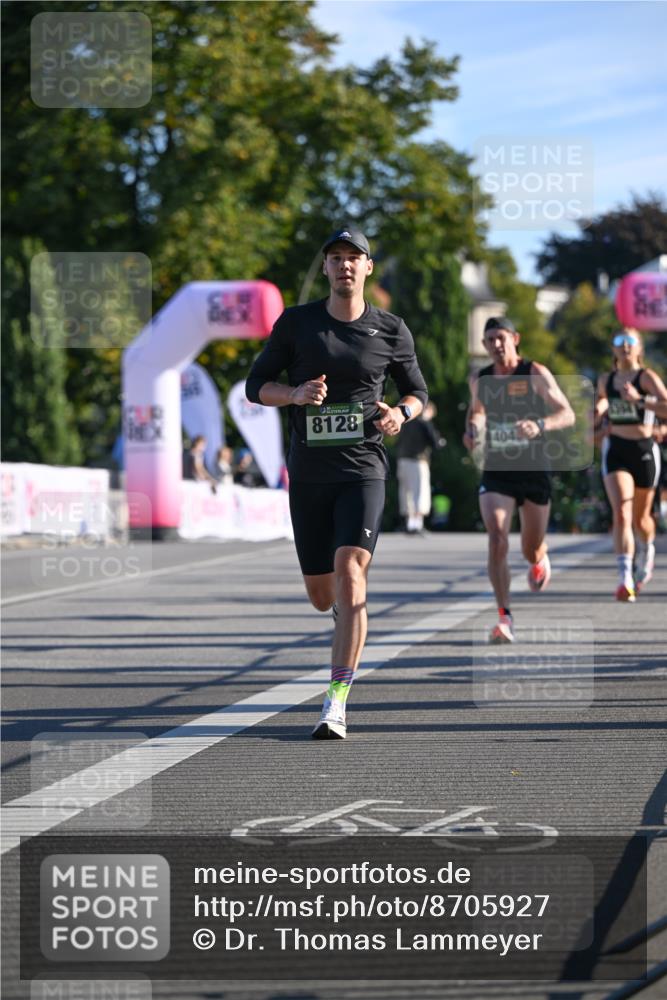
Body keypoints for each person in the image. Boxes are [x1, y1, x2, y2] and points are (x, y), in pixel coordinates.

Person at [245, 226, 428, 738]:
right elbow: (255, 385)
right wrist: (296, 394)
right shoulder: (296, 324)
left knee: (351, 571)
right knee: (322, 596)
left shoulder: (391, 329)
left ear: (369, 267)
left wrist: (402, 414)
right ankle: (340, 618)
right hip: (308, 474)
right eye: (336, 258)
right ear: (325, 269)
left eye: (355, 257)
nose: (345, 265)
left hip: (363, 469)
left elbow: (418, 391)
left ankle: (336, 701)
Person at [464, 317, 575, 644]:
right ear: (484, 346)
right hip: (497, 468)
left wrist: (539, 424)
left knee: (530, 547)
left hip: (534, 468)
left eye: (500, 337)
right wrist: (473, 430)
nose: (496, 345)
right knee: (497, 538)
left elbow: (566, 413)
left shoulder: (534, 373)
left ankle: (539, 557)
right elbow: (476, 413)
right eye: (489, 340)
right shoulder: (481, 379)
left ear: (515, 338)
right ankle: (504, 616)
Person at [595, 330, 667, 601]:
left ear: (639, 348)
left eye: (630, 342)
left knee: (641, 519)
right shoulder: (606, 379)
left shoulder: (646, 377)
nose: (624, 346)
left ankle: (646, 550)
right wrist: (598, 408)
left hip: (644, 450)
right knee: (621, 513)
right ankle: (624, 577)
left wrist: (638, 399)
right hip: (616, 449)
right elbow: (602, 400)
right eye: (618, 341)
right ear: (613, 350)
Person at [396, 401, 446, 533]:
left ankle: (408, 523)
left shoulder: (406, 422)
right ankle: (417, 524)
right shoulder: (424, 423)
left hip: (402, 459)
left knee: (405, 492)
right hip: (418, 460)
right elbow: (436, 443)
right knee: (420, 491)